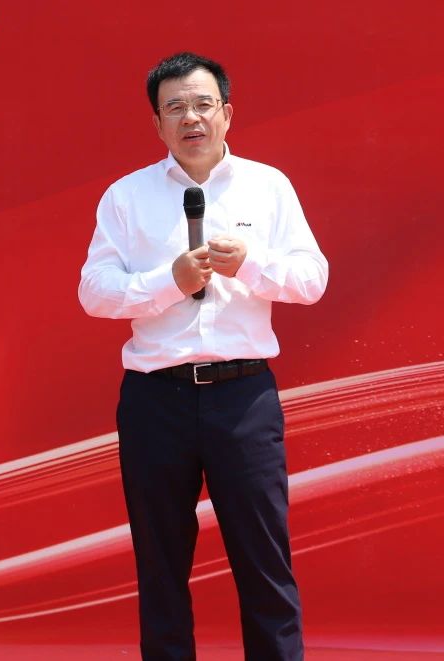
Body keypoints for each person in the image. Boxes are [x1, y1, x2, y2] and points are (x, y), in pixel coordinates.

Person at [79, 52, 329, 660]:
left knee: (264, 560)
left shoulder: (268, 186)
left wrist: (252, 263)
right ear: (157, 124)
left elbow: (312, 279)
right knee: (160, 563)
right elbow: (94, 292)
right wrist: (168, 281)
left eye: (202, 104)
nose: (190, 118)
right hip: (155, 399)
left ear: (227, 113)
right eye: (175, 108)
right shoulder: (126, 197)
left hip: (243, 398)